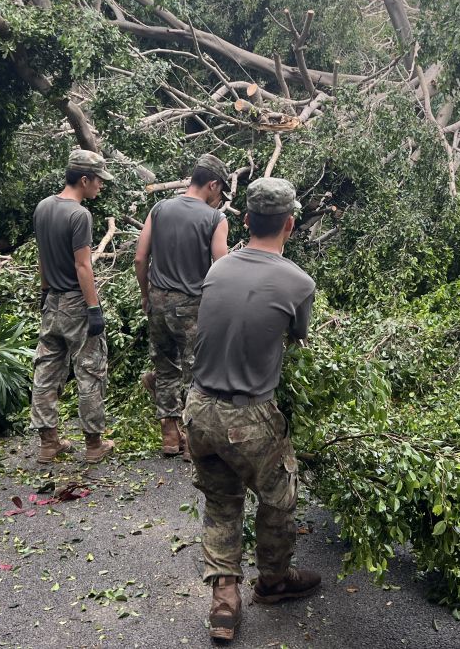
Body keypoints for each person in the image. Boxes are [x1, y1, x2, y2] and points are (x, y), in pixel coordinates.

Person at [183, 177, 320, 643]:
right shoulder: (299, 282)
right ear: (290, 224)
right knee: (279, 499)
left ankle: (224, 601)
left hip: (198, 409)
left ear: (244, 221)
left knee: (222, 501)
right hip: (248, 418)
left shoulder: (218, 270)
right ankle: (275, 581)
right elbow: (299, 338)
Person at [134, 153, 230, 456]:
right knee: (197, 371)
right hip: (192, 307)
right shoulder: (215, 219)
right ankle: (194, 440)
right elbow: (221, 268)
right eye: (220, 191)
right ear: (212, 184)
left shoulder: (159, 208)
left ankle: (169, 438)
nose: (219, 199)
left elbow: (139, 258)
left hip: (159, 302)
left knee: (164, 368)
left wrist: (146, 294)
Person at [31, 149, 117, 465]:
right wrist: (94, 309)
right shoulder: (79, 215)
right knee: (90, 371)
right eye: (98, 181)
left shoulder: (43, 208)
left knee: (47, 370)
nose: (101, 186)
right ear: (84, 179)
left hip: (51, 300)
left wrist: (43, 293)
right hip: (75, 303)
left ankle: (48, 443)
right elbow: (83, 266)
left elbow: (42, 256)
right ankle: (94, 444)